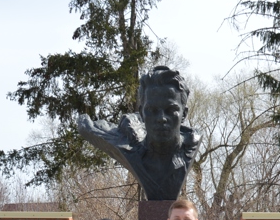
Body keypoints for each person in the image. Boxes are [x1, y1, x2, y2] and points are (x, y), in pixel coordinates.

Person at [78, 66, 201, 201]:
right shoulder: (128, 150)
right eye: (152, 110)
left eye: (170, 110)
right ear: (142, 113)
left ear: (184, 114)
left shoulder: (190, 146)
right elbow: (89, 127)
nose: (161, 118)